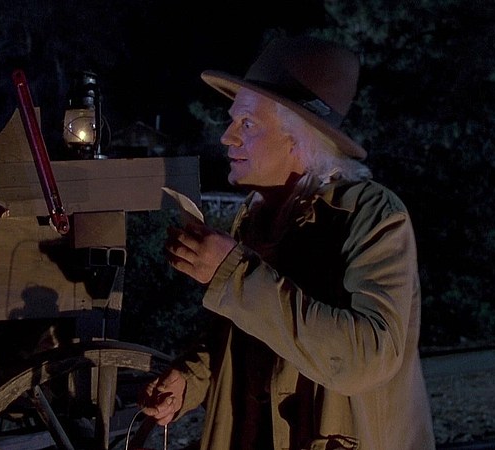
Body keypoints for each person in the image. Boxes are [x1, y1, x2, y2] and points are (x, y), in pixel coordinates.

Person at [139, 35, 436, 449]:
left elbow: (368, 356)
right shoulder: (255, 217)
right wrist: (192, 378)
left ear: (299, 137)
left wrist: (234, 275)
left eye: (247, 124)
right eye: (232, 121)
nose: (227, 137)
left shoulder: (372, 215)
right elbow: (250, 331)